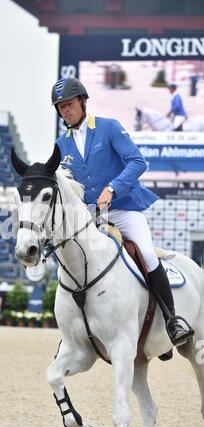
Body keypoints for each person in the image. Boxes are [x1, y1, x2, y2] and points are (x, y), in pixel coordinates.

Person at [51, 77, 194, 348]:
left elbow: (138, 161)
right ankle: (76, 332)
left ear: (82, 101)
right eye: (60, 107)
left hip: (124, 208)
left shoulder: (108, 128)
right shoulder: (61, 144)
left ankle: (171, 320)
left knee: (147, 253)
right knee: (77, 263)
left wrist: (113, 189)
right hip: (90, 217)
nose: (65, 111)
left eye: (69, 104)